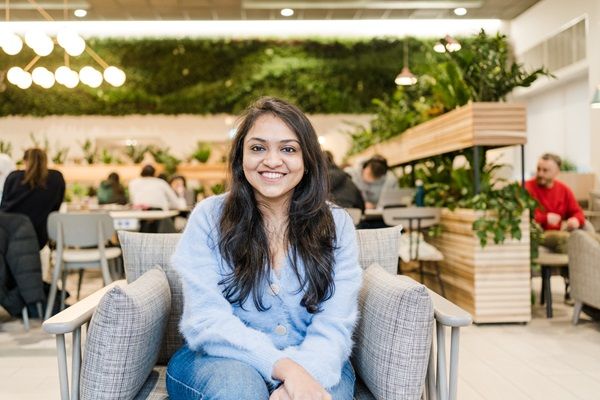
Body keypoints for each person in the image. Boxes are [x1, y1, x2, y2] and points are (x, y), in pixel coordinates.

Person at [167, 97, 362, 400]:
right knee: (238, 392)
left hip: (318, 360)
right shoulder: (208, 217)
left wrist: (300, 377)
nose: (272, 160)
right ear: (240, 157)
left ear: (308, 160)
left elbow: (334, 324)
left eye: (288, 149)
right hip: (221, 359)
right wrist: (286, 369)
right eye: (258, 148)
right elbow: (206, 319)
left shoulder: (337, 224)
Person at [0, 148, 65, 249]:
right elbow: (56, 207)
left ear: (25, 161)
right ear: (45, 161)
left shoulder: (14, 178)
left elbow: (3, 208)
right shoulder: (56, 179)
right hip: (39, 238)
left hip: (9, 235)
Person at [525, 153, 586, 253]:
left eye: (545, 170)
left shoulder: (564, 190)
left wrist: (576, 220)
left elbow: (577, 212)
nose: (540, 174)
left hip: (559, 231)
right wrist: (545, 218)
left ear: (557, 172)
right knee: (567, 239)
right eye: (538, 169)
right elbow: (522, 215)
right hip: (538, 234)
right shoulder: (526, 187)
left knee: (594, 238)